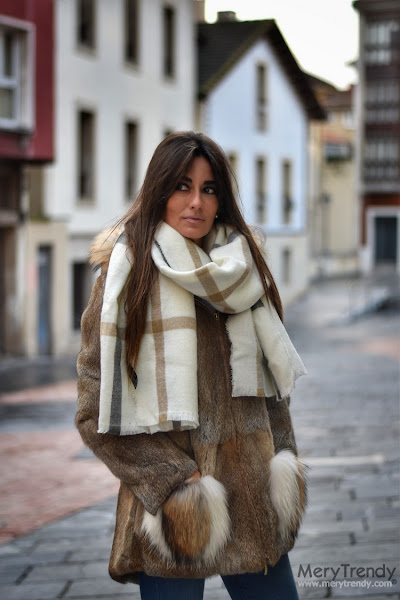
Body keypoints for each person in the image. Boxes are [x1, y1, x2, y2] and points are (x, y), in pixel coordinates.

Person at [76, 131, 307, 600]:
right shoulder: (126, 278)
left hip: (252, 499)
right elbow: (93, 408)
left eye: (209, 188)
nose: (196, 202)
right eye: (182, 186)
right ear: (159, 191)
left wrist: (282, 462)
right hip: (175, 514)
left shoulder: (242, 271)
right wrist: (174, 483)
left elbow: (271, 395)